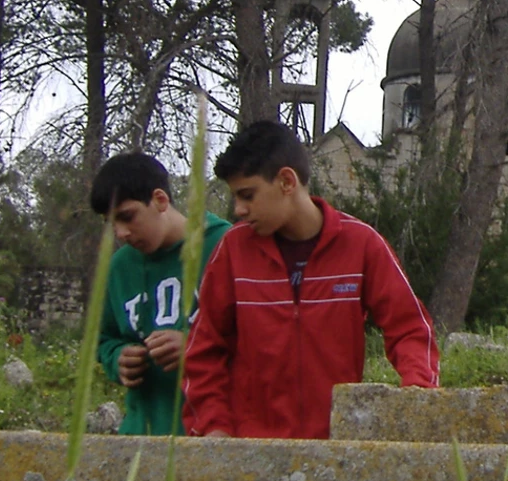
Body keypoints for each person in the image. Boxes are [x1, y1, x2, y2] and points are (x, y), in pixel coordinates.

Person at [182, 120, 438, 438]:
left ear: (287, 181)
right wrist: (214, 427)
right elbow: (204, 350)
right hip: (249, 453)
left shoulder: (362, 244)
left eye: (247, 195)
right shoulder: (232, 252)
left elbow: (410, 330)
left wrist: (416, 399)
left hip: (337, 449)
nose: (239, 210)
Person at [90, 152, 232, 436]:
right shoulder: (119, 267)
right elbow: (102, 339)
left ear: (160, 200)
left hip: (212, 437)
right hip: (139, 438)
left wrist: (194, 347)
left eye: (127, 217)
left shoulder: (225, 247)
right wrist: (117, 358)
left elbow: (260, 341)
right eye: (111, 223)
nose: (121, 233)